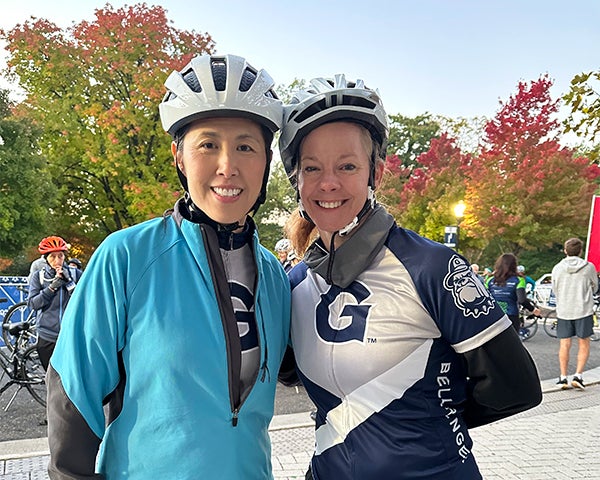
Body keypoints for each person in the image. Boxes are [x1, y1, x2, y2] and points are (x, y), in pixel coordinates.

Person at [277, 75, 542, 480]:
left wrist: (427, 427)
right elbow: (288, 372)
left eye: (347, 166)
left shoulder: (431, 267)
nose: (328, 182)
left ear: (375, 173)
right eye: (312, 168)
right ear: (297, 180)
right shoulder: (294, 283)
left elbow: (516, 387)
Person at [46, 54, 291, 479]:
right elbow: (73, 393)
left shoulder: (275, 276)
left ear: (265, 162)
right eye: (208, 144)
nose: (228, 166)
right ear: (179, 156)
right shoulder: (126, 256)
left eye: (246, 146)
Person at [27, 236, 82, 371]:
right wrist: (51, 288)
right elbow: (33, 304)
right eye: (52, 257)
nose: (57, 261)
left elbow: (84, 301)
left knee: (72, 376)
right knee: (51, 377)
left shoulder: (76, 274)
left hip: (71, 333)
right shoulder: (38, 277)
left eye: (60, 256)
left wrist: (69, 282)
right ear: (46, 258)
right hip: (47, 335)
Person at [552, 237, 599, 390]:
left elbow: (554, 288)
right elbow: (595, 286)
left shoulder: (557, 268)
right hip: (583, 309)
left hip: (564, 309)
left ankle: (563, 377)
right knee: (583, 342)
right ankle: (578, 375)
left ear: (565, 251)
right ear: (580, 251)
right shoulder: (589, 267)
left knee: (564, 344)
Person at [486, 254, 541, 337]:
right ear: (514, 266)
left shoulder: (489, 280)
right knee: (511, 346)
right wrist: (533, 310)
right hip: (511, 316)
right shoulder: (519, 280)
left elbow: (484, 298)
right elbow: (522, 300)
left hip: (493, 317)